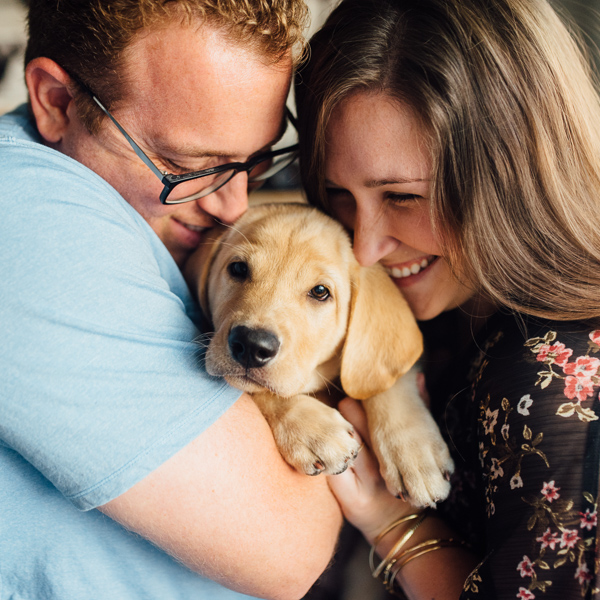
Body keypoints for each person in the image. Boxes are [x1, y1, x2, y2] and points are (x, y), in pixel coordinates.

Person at [0, 1, 343, 599]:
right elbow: (290, 545)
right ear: (57, 102)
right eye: (187, 166)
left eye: (256, 162)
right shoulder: (25, 221)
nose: (234, 207)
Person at [295, 0, 600, 597]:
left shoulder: (547, 385)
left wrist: (393, 521)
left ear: (513, 174)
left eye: (403, 197)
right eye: (337, 193)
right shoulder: (445, 301)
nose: (363, 248)